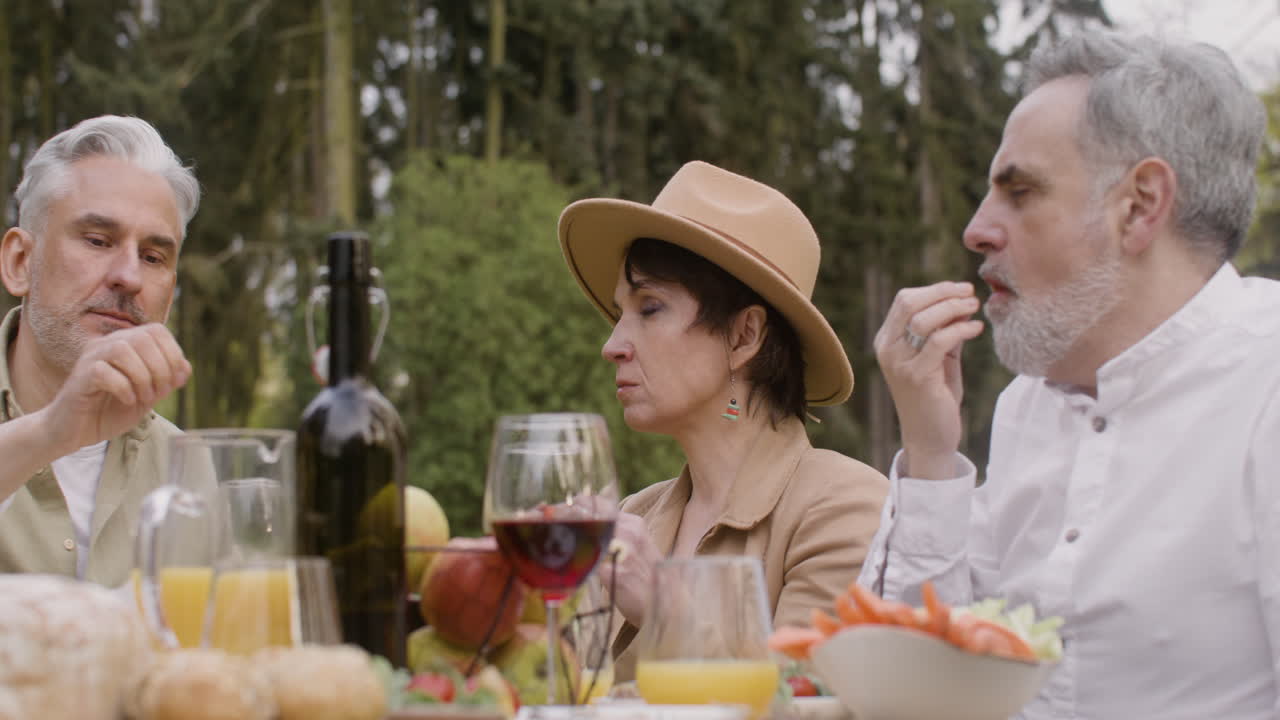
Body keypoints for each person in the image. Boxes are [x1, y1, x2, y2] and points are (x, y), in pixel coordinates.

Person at [859, 31, 1278, 718]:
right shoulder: (1029, 407)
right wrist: (931, 453)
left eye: (1018, 192)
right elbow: (908, 687)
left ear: (1140, 206)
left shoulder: (1267, 383)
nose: (977, 230)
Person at [559, 161, 889, 680]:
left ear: (744, 336)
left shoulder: (845, 509)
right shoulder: (634, 517)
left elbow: (806, 703)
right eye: (622, 312)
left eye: (649, 308)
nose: (612, 346)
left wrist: (663, 608)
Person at [0, 115, 198, 587]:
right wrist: (50, 432)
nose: (129, 277)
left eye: (153, 257)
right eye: (97, 240)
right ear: (20, 263)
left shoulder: (187, 469)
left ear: (169, 295)